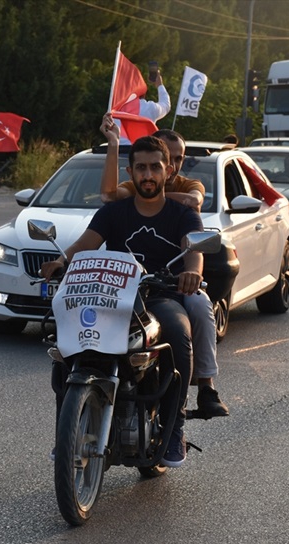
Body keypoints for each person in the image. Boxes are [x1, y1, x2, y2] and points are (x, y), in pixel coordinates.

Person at [40, 115, 204, 467]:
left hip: (159, 297)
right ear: (130, 173)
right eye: (141, 168)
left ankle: (174, 426)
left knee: (178, 332)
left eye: (155, 168)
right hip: (113, 296)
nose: (148, 175)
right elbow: (85, 245)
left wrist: (191, 273)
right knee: (67, 343)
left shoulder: (183, 214)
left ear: (167, 172)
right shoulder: (114, 212)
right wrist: (61, 261)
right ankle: (64, 431)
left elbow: (195, 253)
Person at [101, 127, 229, 419]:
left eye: (175, 160)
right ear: (132, 169)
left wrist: (149, 192)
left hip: (173, 284)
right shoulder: (131, 191)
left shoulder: (187, 185)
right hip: (127, 287)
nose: (171, 166)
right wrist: (113, 145)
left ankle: (204, 387)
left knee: (198, 303)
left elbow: (194, 202)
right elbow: (108, 196)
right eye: (142, 168)